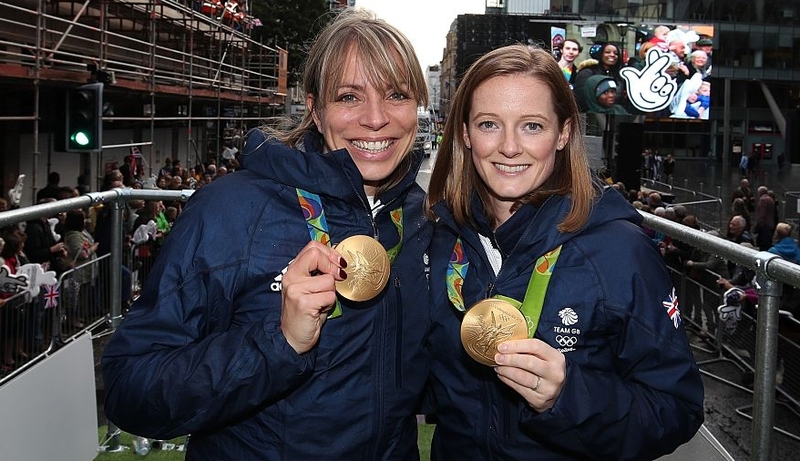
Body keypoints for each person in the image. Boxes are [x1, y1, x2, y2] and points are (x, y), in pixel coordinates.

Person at [101, 8, 432, 459]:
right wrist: (280, 343)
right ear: (315, 109)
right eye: (349, 97)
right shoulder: (230, 210)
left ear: (417, 106)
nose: (375, 119)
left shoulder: (424, 218)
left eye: (396, 94)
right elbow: (129, 387)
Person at [424, 44, 703, 460]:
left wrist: (566, 397)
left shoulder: (618, 251)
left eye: (532, 126)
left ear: (564, 133)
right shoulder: (443, 237)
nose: (510, 147)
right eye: (488, 124)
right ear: (464, 133)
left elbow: (676, 408)